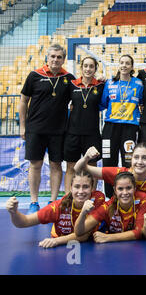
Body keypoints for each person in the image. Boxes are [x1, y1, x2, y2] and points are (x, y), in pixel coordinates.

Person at [19, 44, 76, 213]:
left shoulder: (69, 78)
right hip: (35, 129)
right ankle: (34, 202)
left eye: (59, 57)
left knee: (56, 165)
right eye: (52, 56)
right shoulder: (34, 75)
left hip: (59, 131)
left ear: (63, 59)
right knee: (35, 164)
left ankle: (53, 202)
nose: (55, 60)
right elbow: (23, 101)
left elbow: (79, 96)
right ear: (47, 57)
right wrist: (23, 126)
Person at [5, 170, 104, 248]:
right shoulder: (57, 207)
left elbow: (84, 235)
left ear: (92, 189)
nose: (81, 191)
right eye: (77, 187)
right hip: (62, 245)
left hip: (85, 243)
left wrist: (56, 241)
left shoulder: (98, 199)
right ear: (71, 188)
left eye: (85, 187)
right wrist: (13, 212)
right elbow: (24, 222)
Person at [99, 54, 144, 198]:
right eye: (122, 63)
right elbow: (103, 103)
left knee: (127, 161)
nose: (124, 65)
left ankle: (127, 194)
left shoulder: (139, 83)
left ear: (132, 67)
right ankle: (109, 196)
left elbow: (142, 102)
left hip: (129, 127)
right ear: (119, 65)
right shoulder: (110, 83)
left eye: (127, 63)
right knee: (108, 161)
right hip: (110, 127)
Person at [64, 56, 104, 193]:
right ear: (81, 68)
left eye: (91, 66)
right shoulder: (72, 84)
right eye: (85, 66)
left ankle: (92, 196)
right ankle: (68, 198)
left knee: (92, 167)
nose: (88, 69)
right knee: (71, 167)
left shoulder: (100, 85)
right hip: (73, 133)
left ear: (95, 69)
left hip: (92, 134)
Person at [74, 171, 146, 243]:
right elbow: (79, 232)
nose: (125, 192)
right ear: (115, 190)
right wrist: (83, 213)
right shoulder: (108, 206)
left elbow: (140, 232)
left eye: (128, 188)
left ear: (135, 188)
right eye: (120, 189)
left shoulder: (142, 199)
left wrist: (109, 237)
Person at [74, 143, 146, 201]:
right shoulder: (120, 173)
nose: (139, 162)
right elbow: (78, 169)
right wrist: (86, 157)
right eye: (136, 157)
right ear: (131, 159)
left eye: (144, 158)